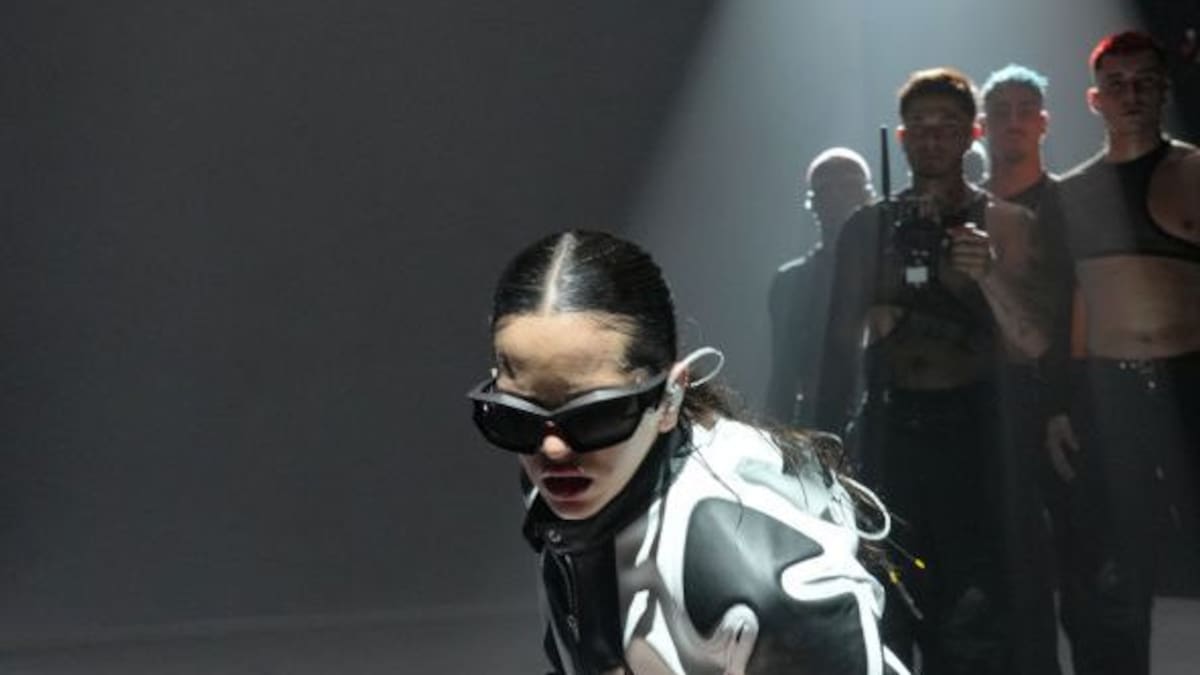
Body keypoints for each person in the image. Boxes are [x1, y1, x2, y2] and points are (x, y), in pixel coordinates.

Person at [468, 230, 909, 674]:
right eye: (517, 417)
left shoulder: (754, 576)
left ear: (670, 397)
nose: (552, 448)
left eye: (595, 416)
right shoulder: (574, 485)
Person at [816, 67, 1050, 674]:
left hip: (977, 435)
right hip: (890, 432)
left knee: (973, 619)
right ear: (901, 138)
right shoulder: (867, 228)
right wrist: (821, 454)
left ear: (971, 134)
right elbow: (836, 352)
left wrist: (987, 274)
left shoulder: (1006, 223)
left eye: (947, 125)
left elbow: (1034, 343)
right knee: (886, 611)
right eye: (919, 126)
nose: (933, 137)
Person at [1043, 30, 1200, 675]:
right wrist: (1059, 405)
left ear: (1164, 90)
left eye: (1144, 82)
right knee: (1110, 575)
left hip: (1190, 382)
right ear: (1095, 99)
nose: (1130, 94)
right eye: (1117, 84)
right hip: (1109, 393)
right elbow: (1067, 305)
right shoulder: (1070, 193)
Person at [977, 62, 1067, 675]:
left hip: (1053, 400)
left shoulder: (1068, 204)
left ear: (1043, 122)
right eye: (1000, 111)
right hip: (978, 403)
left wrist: (1063, 401)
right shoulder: (960, 207)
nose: (1013, 122)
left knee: (1060, 564)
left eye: (1024, 109)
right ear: (981, 125)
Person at [767, 148, 875, 426]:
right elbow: (783, 373)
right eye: (827, 190)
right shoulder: (790, 282)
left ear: (867, 197)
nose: (838, 198)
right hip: (817, 422)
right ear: (813, 203)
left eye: (848, 187)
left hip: (880, 421)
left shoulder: (889, 272)